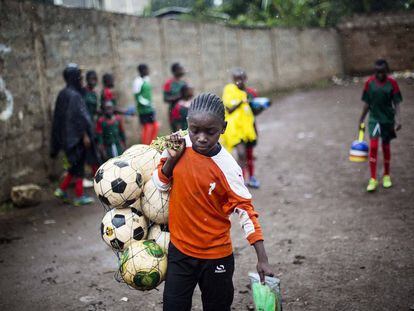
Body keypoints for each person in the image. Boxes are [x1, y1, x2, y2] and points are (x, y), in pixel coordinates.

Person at [153, 93, 274, 311]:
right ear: (187, 125)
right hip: (180, 251)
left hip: (216, 256)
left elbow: (246, 210)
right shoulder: (177, 144)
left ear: (223, 128)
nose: (200, 138)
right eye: (194, 130)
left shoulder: (228, 167)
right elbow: (160, 183)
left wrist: (262, 258)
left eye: (210, 132)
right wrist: (172, 158)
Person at [50, 63, 95, 206]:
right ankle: (79, 196)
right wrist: (85, 136)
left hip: (66, 138)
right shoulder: (74, 95)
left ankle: (61, 189)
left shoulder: (63, 93)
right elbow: (77, 119)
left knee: (74, 166)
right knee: (79, 166)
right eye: (79, 76)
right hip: (76, 138)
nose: (81, 78)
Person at [359, 59, 402, 192]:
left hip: (387, 120)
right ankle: (373, 179)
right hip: (374, 120)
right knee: (373, 147)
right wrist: (361, 118)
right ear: (375, 72)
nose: (380, 74)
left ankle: (386, 176)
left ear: (386, 71)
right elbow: (367, 103)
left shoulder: (392, 83)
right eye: (377, 72)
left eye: (382, 72)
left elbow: (397, 103)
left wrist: (398, 119)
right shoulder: (369, 83)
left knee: (386, 147)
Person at [221, 68, 257, 186]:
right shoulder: (229, 90)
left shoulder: (249, 93)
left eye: (241, 79)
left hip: (247, 129)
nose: (238, 82)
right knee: (241, 154)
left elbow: (252, 112)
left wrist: (255, 128)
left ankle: (250, 178)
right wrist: (241, 101)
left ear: (245, 79)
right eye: (236, 79)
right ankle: (239, 179)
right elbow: (229, 109)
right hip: (234, 129)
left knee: (249, 154)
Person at [133, 64, 159, 145]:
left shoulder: (147, 79)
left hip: (150, 108)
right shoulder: (137, 81)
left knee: (155, 126)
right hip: (143, 110)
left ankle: (152, 144)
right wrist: (147, 104)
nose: (148, 71)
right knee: (147, 128)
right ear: (142, 71)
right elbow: (137, 97)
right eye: (146, 69)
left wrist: (151, 104)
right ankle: (144, 146)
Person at [163, 62, 187, 131]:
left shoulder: (184, 83)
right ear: (174, 71)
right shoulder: (169, 83)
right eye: (180, 69)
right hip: (174, 112)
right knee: (176, 134)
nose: (182, 70)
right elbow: (165, 98)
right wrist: (178, 97)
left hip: (184, 112)